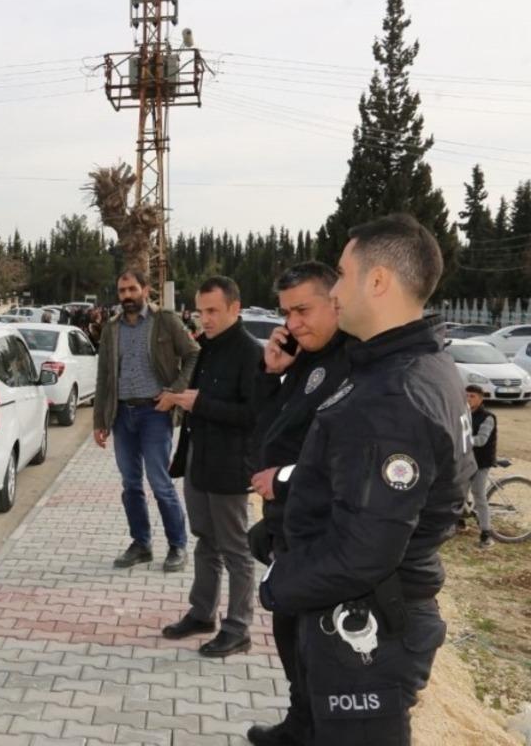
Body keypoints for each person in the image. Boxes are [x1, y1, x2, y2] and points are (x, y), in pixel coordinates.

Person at [259, 214, 472, 746]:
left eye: (342, 273)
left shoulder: (393, 392)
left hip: (369, 624)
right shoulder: (409, 365)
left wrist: (278, 583)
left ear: (378, 282)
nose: (335, 289)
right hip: (368, 607)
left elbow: (363, 552)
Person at [244, 261, 352, 746]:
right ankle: (299, 724)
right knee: (289, 635)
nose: (293, 324)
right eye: (286, 313)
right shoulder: (304, 357)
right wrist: (272, 372)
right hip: (287, 523)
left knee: (317, 646)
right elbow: (269, 430)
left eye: (303, 310)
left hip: (322, 530)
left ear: (337, 300)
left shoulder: (356, 362)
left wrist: (284, 481)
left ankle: (315, 729)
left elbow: (341, 456)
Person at [161, 276, 261, 658]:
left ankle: (239, 628)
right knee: (205, 542)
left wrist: (199, 403)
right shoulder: (203, 347)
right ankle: (203, 613)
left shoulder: (250, 353)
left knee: (236, 550)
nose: (205, 319)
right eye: (201, 311)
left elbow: (254, 415)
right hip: (198, 463)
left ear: (235, 308)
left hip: (230, 469)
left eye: (213, 311)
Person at [94, 269, 200, 572]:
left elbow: (193, 354)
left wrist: (175, 392)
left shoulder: (164, 320)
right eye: (122, 290)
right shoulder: (111, 328)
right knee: (130, 484)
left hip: (155, 413)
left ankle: (177, 546)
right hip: (121, 416)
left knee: (160, 482)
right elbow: (104, 376)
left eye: (131, 289)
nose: (126, 296)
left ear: (145, 290)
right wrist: (99, 421)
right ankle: (141, 544)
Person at [465, 384, 497, 549]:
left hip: (481, 462)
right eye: (467, 395)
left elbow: (481, 440)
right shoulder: (464, 415)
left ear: (481, 398)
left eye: (472, 396)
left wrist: (462, 439)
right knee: (457, 490)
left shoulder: (487, 417)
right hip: (466, 460)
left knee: (478, 494)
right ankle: (460, 521)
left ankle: (486, 533)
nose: (469, 399)